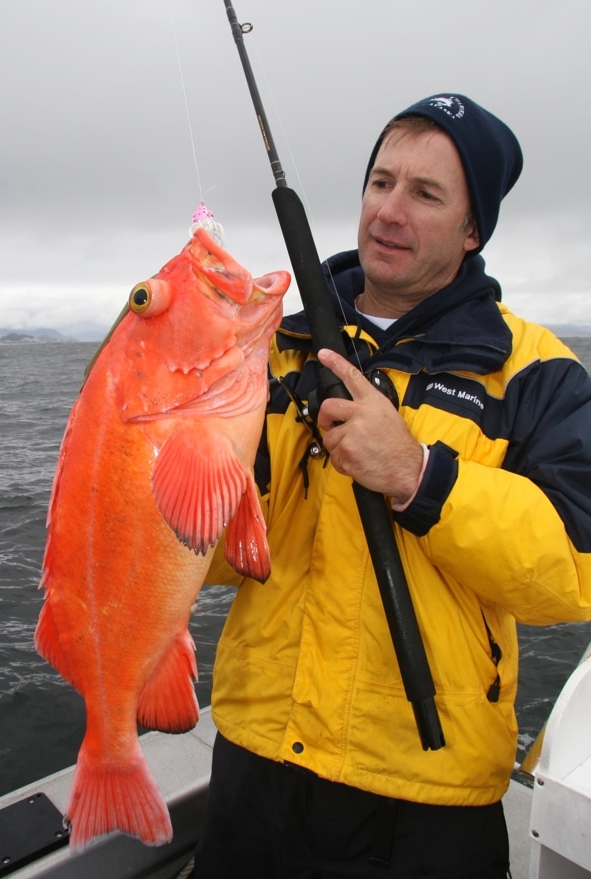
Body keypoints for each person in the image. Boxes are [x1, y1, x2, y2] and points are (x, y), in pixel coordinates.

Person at [192, 94, 591, 878]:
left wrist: (420, 476)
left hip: (427, 797)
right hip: (256, 761)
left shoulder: (537, 371)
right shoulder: (268, 343)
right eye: (381, 181)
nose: (389, 211)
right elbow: (214, 558)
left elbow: (575, 569)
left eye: (426, 193)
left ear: (474, 231)